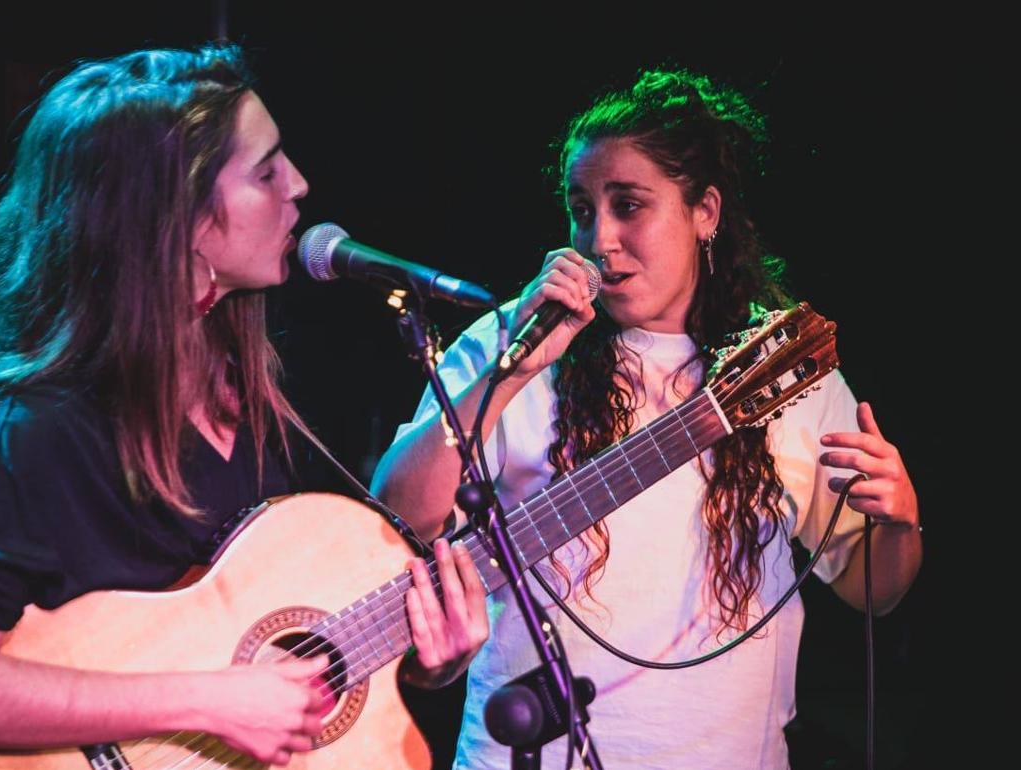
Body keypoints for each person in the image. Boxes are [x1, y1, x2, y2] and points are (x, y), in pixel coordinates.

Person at [0, 45, 488, 768]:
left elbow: (271, 663)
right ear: (178, 218)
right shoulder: (40, 430)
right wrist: (207, 701)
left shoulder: (250, 398)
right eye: (265, 171)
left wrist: (426, 661)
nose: (299, 184)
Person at [371, 69, 921, 769]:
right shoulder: (508, 342)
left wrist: (898, 522)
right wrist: (510, 372)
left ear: (705, 212)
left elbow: (875, 591)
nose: (599, 238)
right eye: (581, 209)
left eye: (628, 205)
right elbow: (396, 518)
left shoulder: (781, 367)